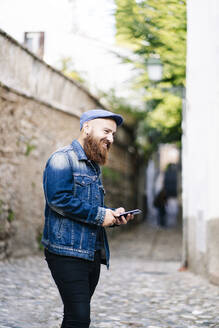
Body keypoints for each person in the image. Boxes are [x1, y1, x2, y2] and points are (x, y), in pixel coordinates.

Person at [41, 109, 135, 328]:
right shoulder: (62, 159)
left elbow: (88, 207)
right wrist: (100, 214)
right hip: (66, 253)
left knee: (76, 316)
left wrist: (112, 215)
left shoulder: (93, 166)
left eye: (113, 134)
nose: (111, 138)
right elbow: (58, 200)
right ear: (86, 128)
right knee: (79, 318)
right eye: (106, 131)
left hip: (91, 253)